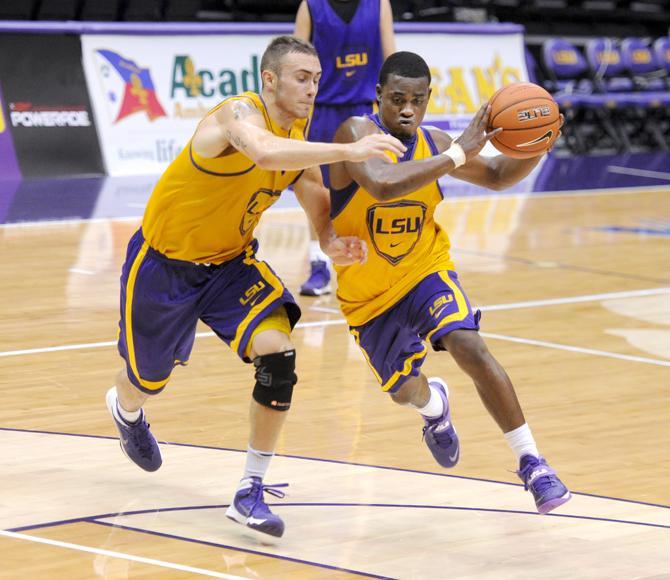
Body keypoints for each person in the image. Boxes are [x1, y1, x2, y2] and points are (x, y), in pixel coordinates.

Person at [105, 35, 405, 538]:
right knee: (145, 378)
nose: (312, 89)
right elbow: (266, 154)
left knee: (278, 359)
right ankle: (127, 410)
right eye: (301, 78)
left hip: (230, 266)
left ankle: (250, 490)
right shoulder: (237, 114)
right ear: (269, 79)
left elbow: (307, 181)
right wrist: (350, 149)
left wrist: (328, 238)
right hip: (164, 266)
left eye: (316, 80)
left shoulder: (301, 129)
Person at [328, 51, 571, 514]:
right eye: (396, 98)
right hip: (369, 299)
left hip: (425, 271)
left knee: (469, 345)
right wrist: (456, 152)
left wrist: (539, 143)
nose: (406, 109)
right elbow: (381, 185)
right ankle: (434, 407)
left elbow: (499, 175)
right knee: (405, 390)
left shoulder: (434, 142)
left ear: (427, 101)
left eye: (416, 100)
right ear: (378, 96)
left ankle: (533, 463)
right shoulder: (355, 135)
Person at [294, 0, 396, 296]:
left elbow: (391, 60)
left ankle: (367, 266)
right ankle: (318, 266)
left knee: (368, 193)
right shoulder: (311, 6)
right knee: (317, 192)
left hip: (364, 110)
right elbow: (295, 63)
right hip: (320, 110)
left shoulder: (379, 4)